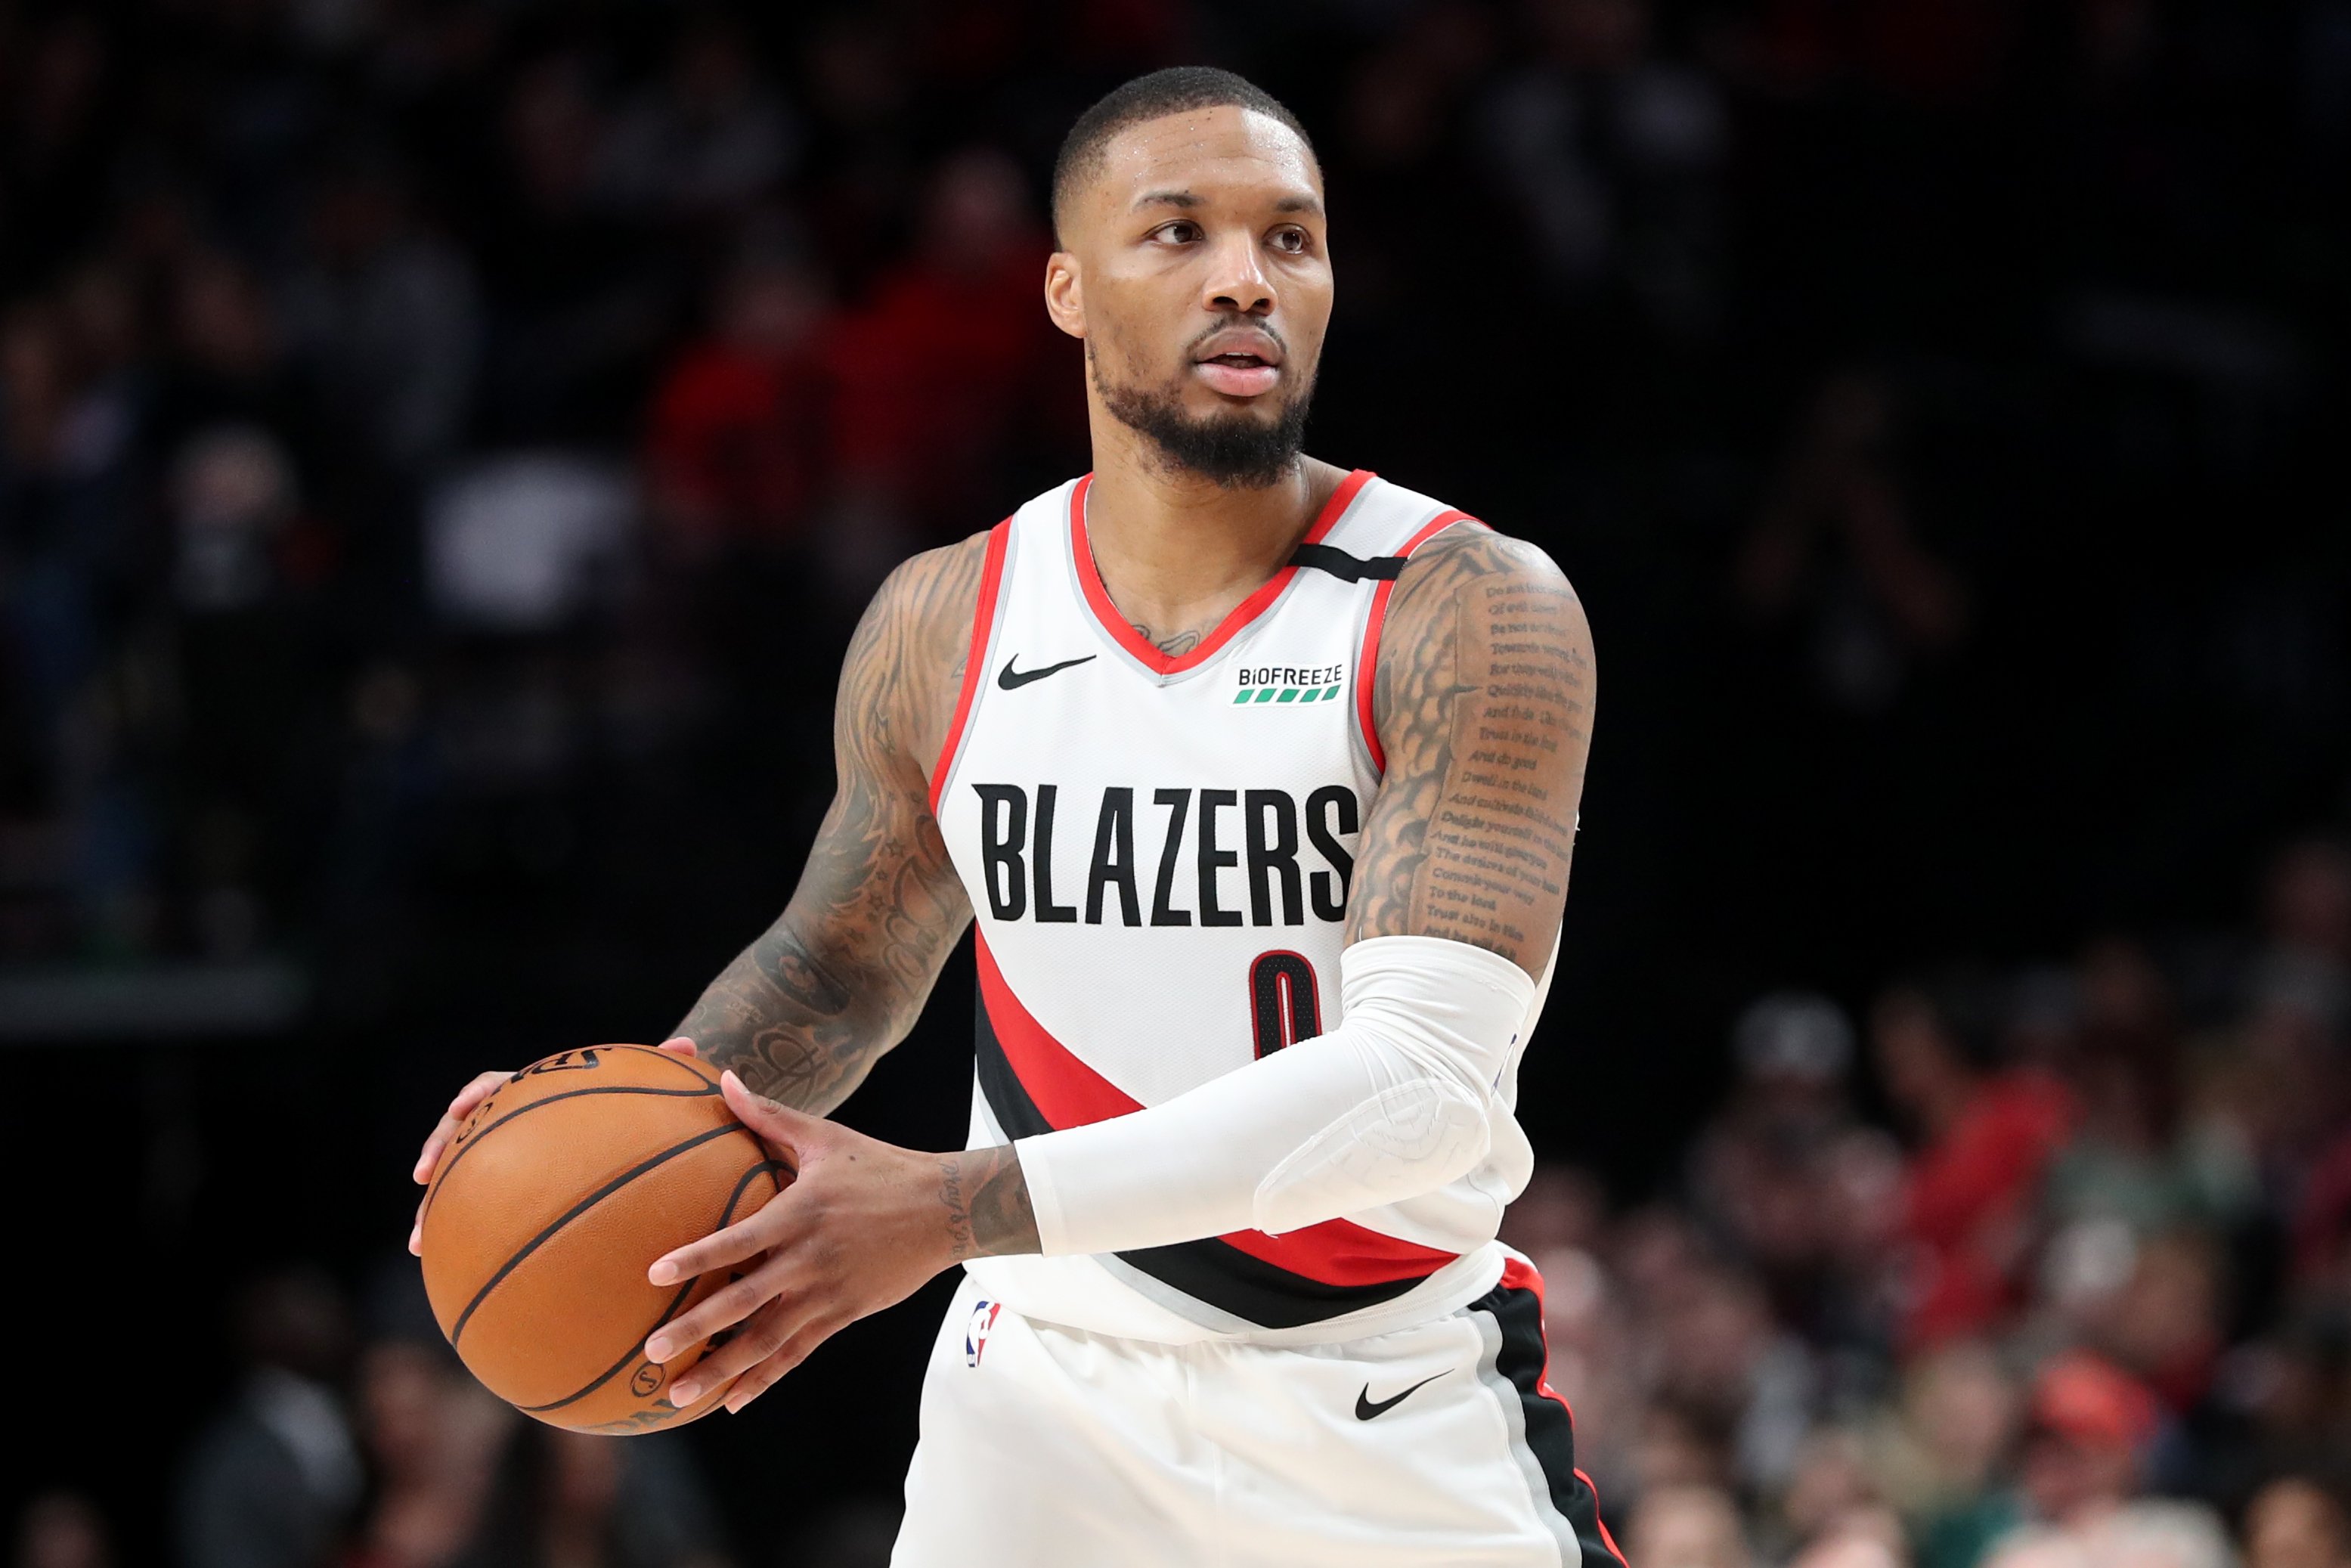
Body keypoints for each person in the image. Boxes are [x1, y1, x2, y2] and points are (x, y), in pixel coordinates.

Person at [410, 67, 1609, 1567]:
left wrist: (948, 1206)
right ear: (1064, 287)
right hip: (1037, 1406)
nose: (1244, 278)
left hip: (1372, 1395)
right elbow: (843, 964)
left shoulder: (1465, 604)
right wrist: (637, 1110)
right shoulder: (948, 612)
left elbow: (1425, 1086)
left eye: (1288, 241)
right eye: (1176, 232)